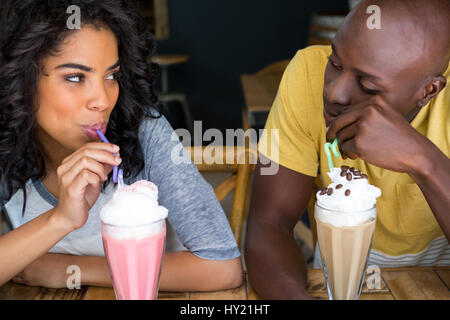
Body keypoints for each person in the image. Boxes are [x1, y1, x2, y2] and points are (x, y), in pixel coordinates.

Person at [0, 0, 243, 290]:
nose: (102, 101)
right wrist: (60, 220)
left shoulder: (144, 132)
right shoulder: (7, 143)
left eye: (111, 76)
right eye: (76, 77)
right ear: (19, 78)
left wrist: (71, 269)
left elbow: (222, 267)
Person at [245, 0, 450, 299]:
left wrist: (422, 160)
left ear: (428, 91)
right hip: (335, 285)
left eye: (368, 86)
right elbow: (269, 224)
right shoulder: (306, 73)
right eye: (335, 63)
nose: (333, 92)